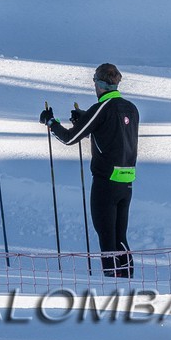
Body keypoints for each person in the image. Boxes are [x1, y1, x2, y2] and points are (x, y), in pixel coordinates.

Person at [42, 63, 138, 278]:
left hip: (105, 182)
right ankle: (128, 282)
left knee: (106, 238)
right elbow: (113, 133)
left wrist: (51, 122)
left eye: (94, 81)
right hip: (126, 181)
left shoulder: (102, 108)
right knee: (120, 237)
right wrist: (85, 118)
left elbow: (69, 138)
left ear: (99, 84)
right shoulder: (131, 108)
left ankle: (113, 284)